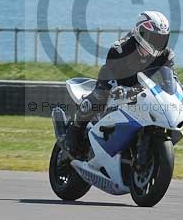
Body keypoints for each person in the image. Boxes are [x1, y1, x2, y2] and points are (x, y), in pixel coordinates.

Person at [63, 10, 175, 157]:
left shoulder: (166, 55)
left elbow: (171, 79)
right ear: (141, 33)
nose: (158, 43)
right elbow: (111, 73)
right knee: (100, 97)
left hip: (143, 91)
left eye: (162, 38)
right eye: (154, 38)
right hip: (116, 83)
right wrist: (116, 89)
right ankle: (75, 130)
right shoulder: (121, 49)